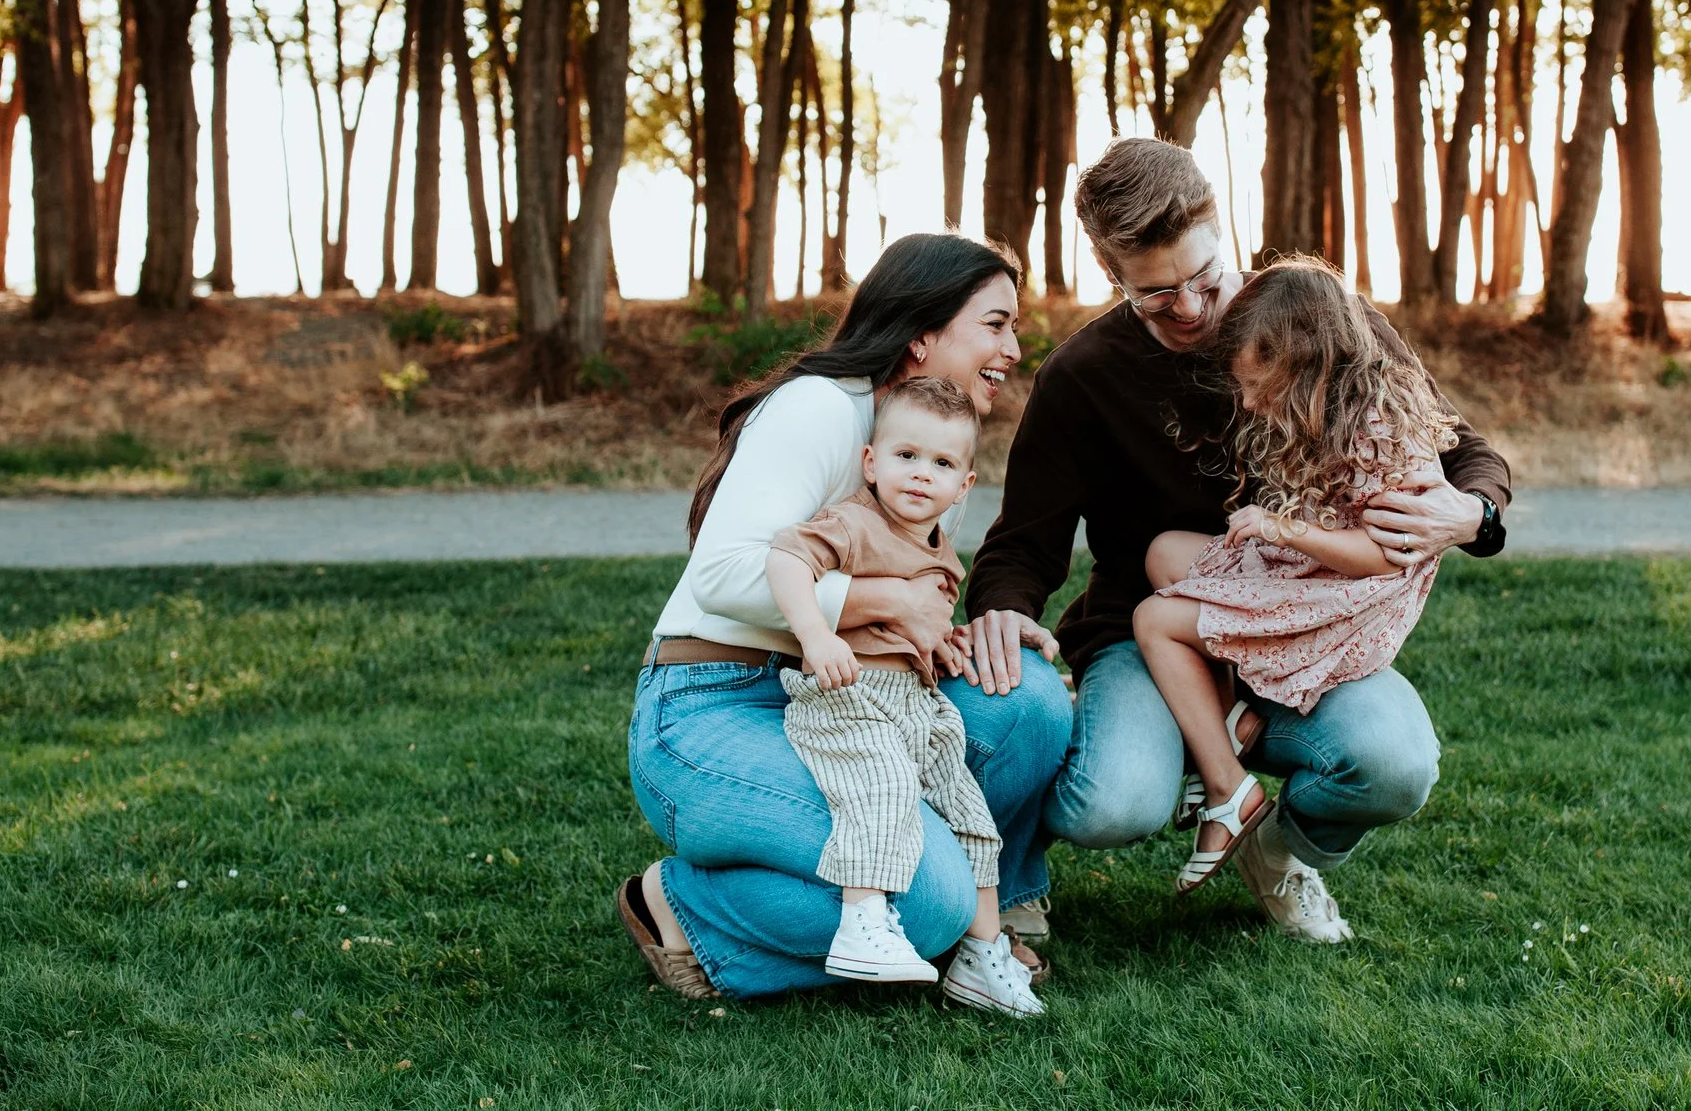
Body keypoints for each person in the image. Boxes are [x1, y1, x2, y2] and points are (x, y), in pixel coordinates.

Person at [962, 138, 1510, 944]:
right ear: (1113, 277)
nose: (1188, 308)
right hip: (1153, 627)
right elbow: (1022, 542)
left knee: (1394, 761)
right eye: (1154, 296)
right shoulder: (1083, 376)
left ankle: (1277, 851)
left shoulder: (1322, 320)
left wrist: (1473, 515)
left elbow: (1463, 449)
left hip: (1299, 632)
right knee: (1115, 800)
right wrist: (1003, 611)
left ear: (1226, 232)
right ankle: (1019, 861)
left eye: (1205, 279)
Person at [617, 234, 1072, 1002]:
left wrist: (949, 634)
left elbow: (892, 608)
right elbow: (727, 574)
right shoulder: (824, 409)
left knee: (1024, 699)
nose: (1013, 347)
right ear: (924, 333)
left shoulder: (926, 445)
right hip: (709, 705)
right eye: (995, 324)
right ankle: (684, 906)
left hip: (848, 699)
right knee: (930, 899)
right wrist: (889, 603)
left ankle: (978, 903)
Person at [1133, 259, 1458, 893]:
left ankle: (1229, 793)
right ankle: (1233, 719)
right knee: (1166, 554)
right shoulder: (1333, 403)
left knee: (1155, 621)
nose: (1250, 400)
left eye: (1260, 383)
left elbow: (1387, 554)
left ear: (1309, 356)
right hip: (1314, 572)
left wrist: (1286, 530)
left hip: (1342, 597)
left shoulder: (1378, 427)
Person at [763, 376, 1042, 1015]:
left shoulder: (944, 556)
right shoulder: (854, 523)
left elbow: (921, 621)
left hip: (915, 703)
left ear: (964, 485)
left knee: (972, 814)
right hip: (847, 691)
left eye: (941, 463)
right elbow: (784, 559)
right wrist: (815, 632)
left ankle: (981, 954)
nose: (920, 475)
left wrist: (938, 643)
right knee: (882, 782)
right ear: (871, 462)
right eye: (905, 456)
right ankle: (863, 921)